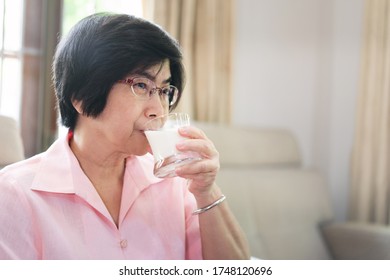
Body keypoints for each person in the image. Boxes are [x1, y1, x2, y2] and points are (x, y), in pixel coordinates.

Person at [0, 13, 250, 260]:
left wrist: (206, 190)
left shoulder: (175, 182)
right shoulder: (15, 194)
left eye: (164, 91)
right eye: (141, 85)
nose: (159, 111)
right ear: (81, 96)